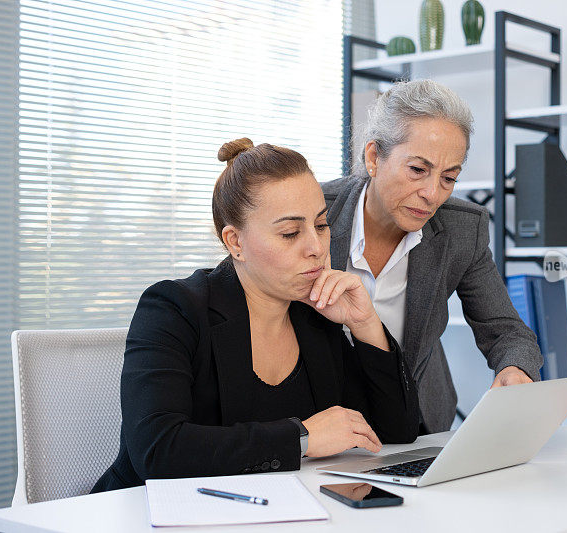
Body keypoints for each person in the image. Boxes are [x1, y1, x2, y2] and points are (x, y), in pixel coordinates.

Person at [92, 138, 419, 492]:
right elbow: (157, 450)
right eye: (290, 233)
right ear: (235, 242)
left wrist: (365, 324)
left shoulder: (314, 313)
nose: (315, 247)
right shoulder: (174, 308)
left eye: (321, 225)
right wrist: (303, 437)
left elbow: (395, 432)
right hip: (147, 513)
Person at [323, 79, 543, 433]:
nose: (431, 194)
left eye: (449, 177)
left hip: (416, 421)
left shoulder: (461, 229)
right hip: (323, 419)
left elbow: (507, 332)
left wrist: (514, 369)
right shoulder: (315, 213)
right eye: (417, 170)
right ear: (374, 157)